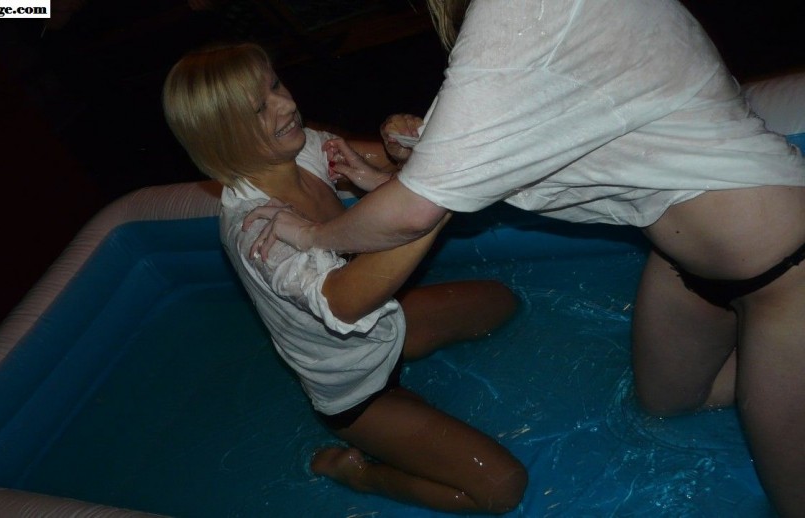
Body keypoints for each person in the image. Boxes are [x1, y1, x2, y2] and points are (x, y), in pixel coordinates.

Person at [243, 1, 805, 516]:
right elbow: (507, 137)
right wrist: (395, 172)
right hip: (685, 264)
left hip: (783, 266)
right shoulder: (527, 22)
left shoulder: (522, 8)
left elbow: (416, 212)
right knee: (667, 405)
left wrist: (316, 235)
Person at [162, 42, 527, 514]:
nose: (286, 103)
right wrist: (439, 196)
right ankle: (363, 473)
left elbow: (393, 164)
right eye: (259, 107)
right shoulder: (258, 228)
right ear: (222, 140)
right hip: (356, 390)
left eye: (274, 83)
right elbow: (344, 301)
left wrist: (399, 142)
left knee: (502, 302)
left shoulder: (303, 149)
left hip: (387, 324)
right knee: (502, 488)